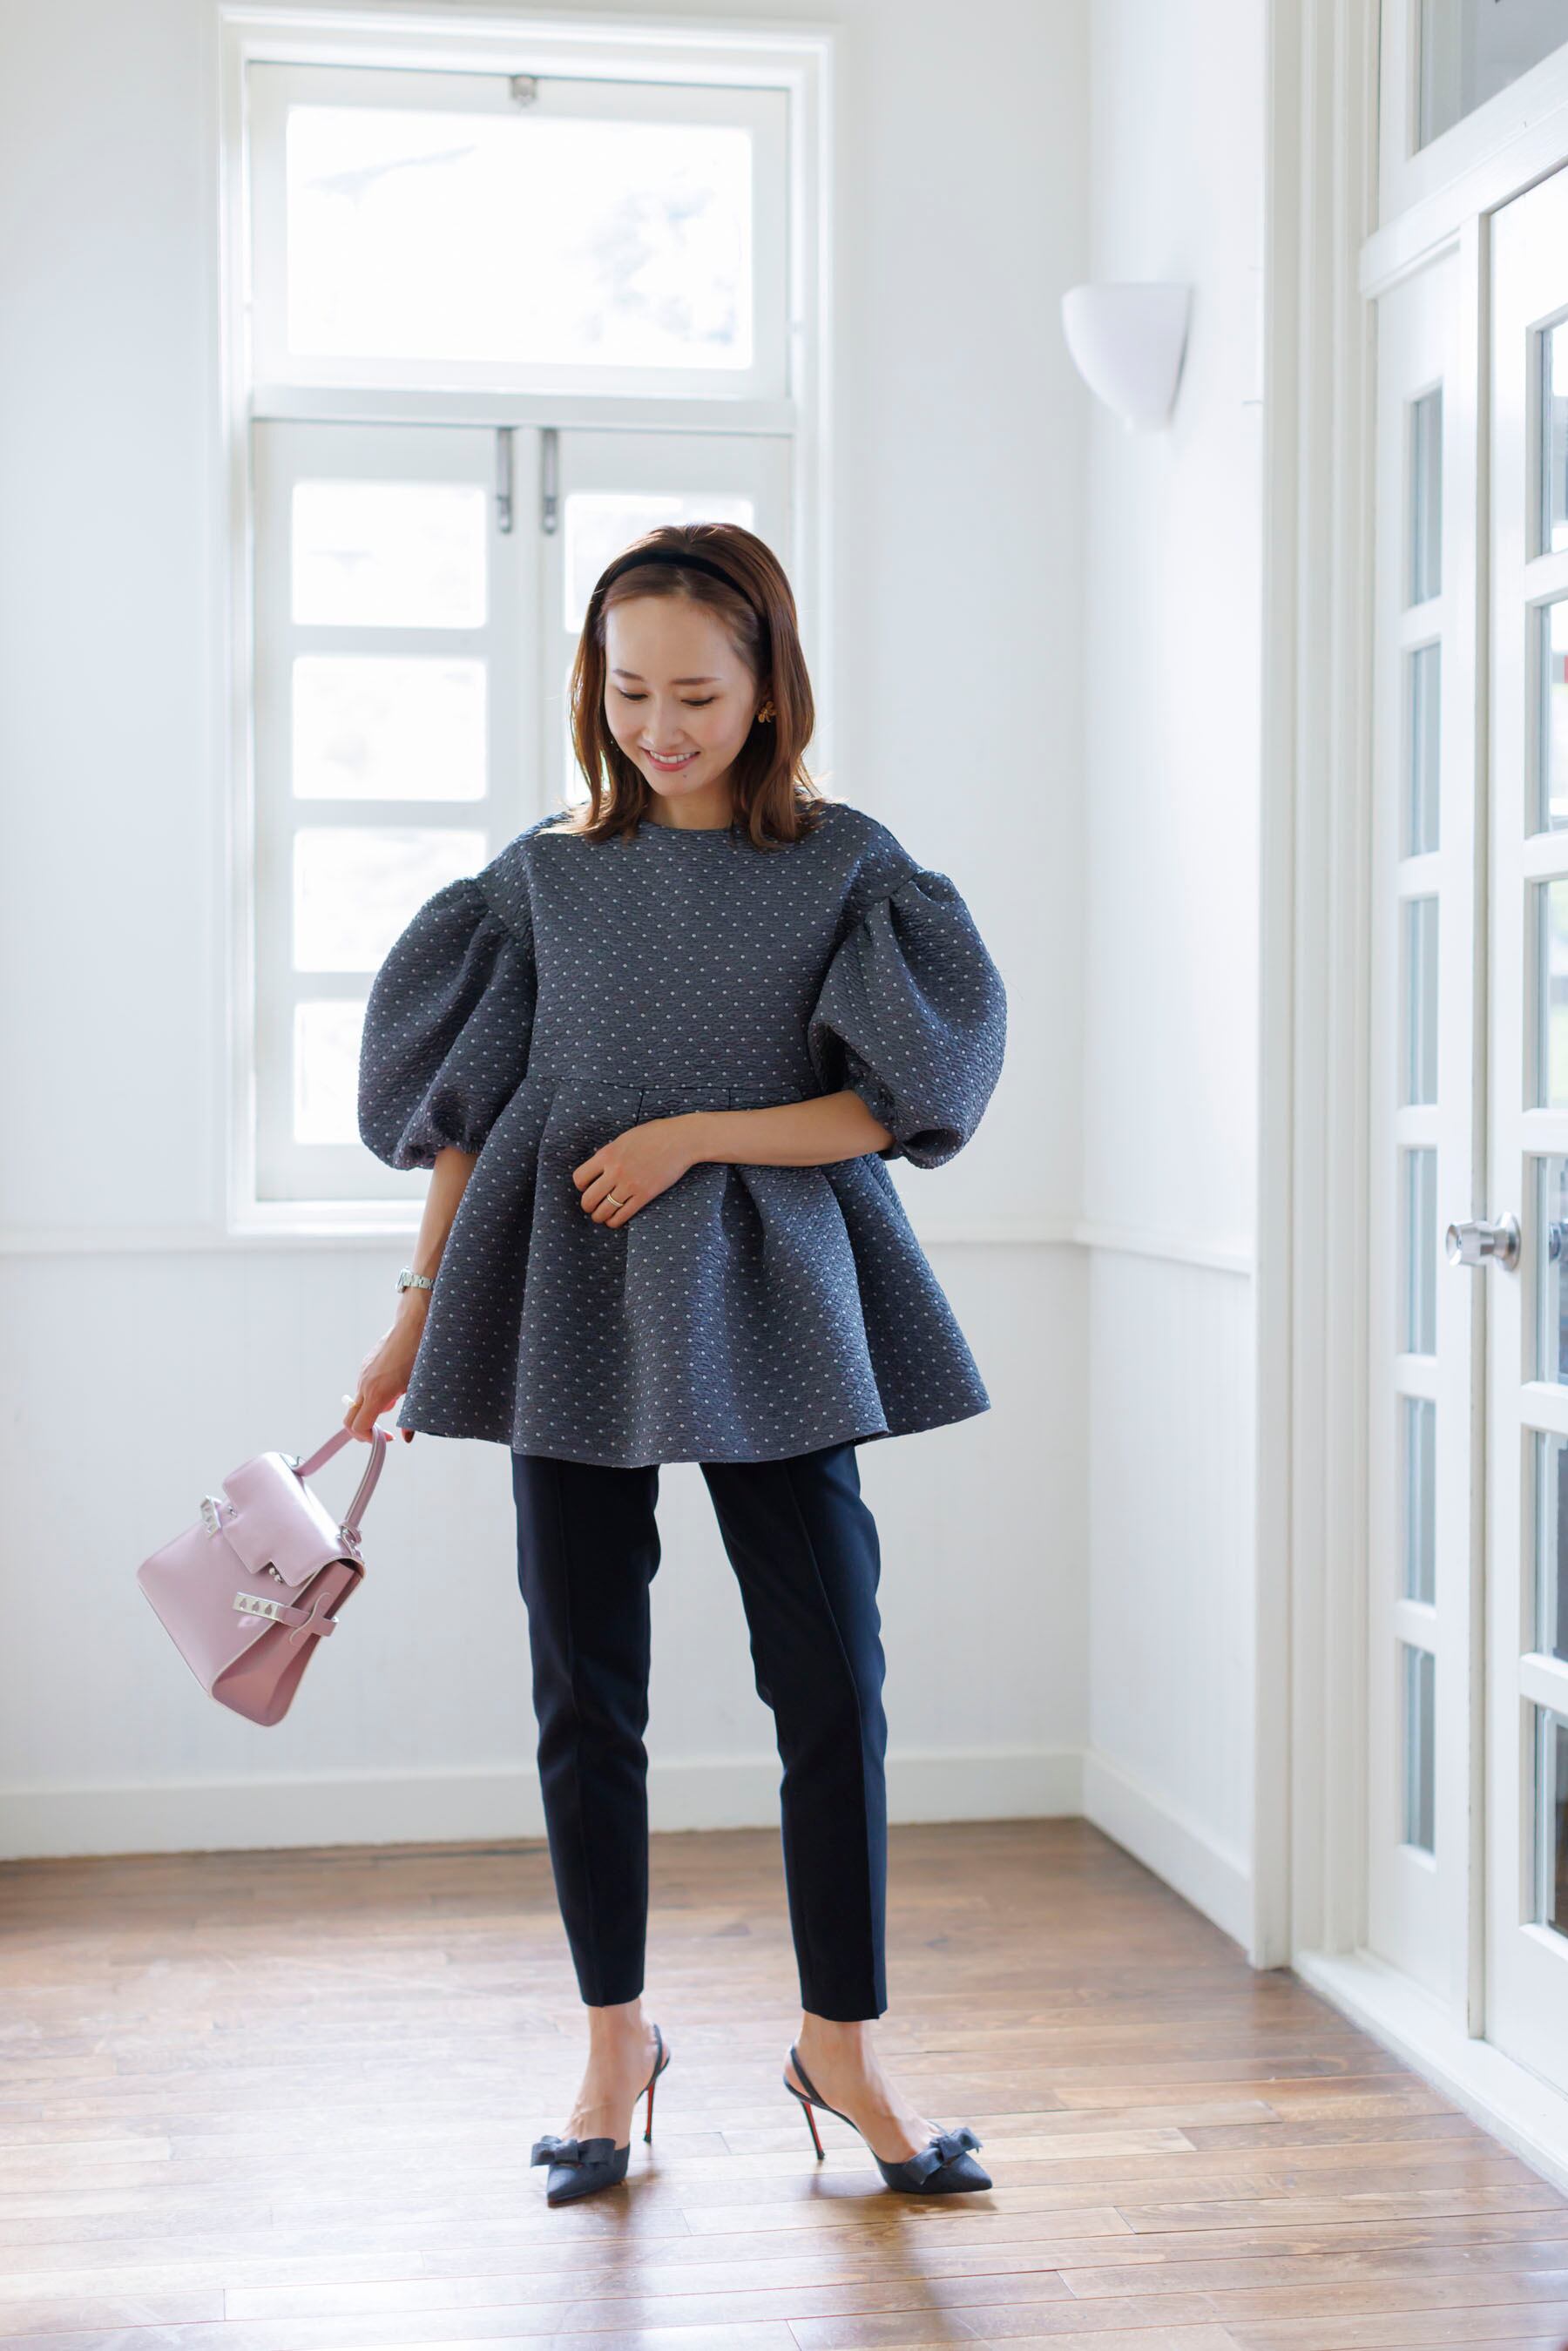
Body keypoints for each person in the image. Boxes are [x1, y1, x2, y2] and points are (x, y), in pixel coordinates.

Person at [344, 522, 1007, 2205]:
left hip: (777, 1292)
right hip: (564, 1288)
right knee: (588, 1690)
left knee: (832, 1683)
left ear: (770, 683)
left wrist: (693, 1134)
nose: (659, 725)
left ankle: (840, 2043)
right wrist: (411, 1316)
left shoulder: (850, 869)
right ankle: (611, 2043)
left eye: (696, 692)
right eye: (628, 690)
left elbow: (899, 1102)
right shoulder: (545, 879)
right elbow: (468, 1119)